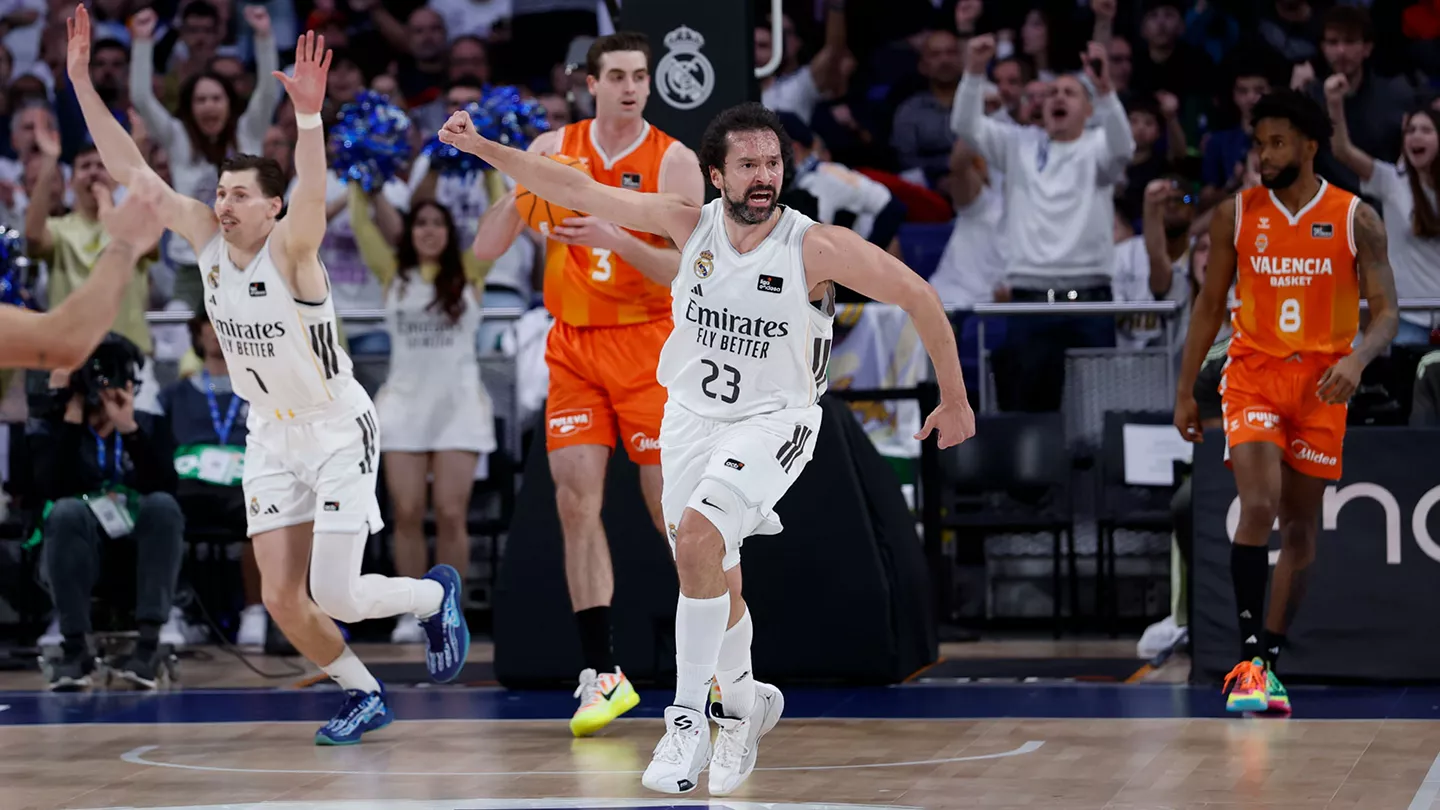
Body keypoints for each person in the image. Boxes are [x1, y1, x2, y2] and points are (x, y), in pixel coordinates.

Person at [439, 100, 976, 795]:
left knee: (697, 540)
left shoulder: (816, 247)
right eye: (748, 164)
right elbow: (573, 189)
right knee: (713, 573)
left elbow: (918, 295)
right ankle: (746, 704)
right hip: (690, 417)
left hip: (775, 421)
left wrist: (955, 397)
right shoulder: (686, 225)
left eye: (773, 164)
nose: (763, 176)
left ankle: (687, 720)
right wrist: (484, 148)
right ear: (717, 175)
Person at [68, 7, 470, 744]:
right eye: (220, 193)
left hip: (335, 422)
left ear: (272, 207)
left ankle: (429, 595)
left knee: (338, 592)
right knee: (284, 599)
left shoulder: (295, 252)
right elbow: (133, 172)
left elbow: (314, 193)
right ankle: (362, 692)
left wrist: (310, 121)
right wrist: (79, 84)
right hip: (269, 433)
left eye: (239, 195)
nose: (223, 204)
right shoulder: (203, 239)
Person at [470, 30, 704, 737]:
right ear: (590, 82)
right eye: (620, 76)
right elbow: (483, 249)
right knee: (575, 504)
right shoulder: (549, 150)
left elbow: (692, 273)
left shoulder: (676, 161)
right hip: (572, 347)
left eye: (642, 76)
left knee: (674, 514)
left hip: (650, 346)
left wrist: (619, 238)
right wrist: (521, 192)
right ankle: (602, 676)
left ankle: (717, 669)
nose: (633, 87)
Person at [1173, 89, 1398, 715]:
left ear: (1308, 145)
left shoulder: (1357, 217)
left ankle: (1269, 660)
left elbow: (1387, 315)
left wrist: (1356, 360)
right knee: (1261, 503)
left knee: (1300, 528)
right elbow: (1208, 307)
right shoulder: (1235, 215)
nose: (1265, 155)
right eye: (1259, 143)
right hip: (1253, 373)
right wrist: (1185, 389)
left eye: (1277, 143)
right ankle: (1245, 662)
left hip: (1325, 382)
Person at [350, 184, 496, 644]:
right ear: (409, 232)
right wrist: (361, 172)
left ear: (449, 232)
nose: (429, 231)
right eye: (421, 223)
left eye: (437, 223)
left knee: (452, 513)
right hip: (403, 407)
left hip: (459, 406)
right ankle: (414, 611)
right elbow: (359, 223)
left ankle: (449, 607)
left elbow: (497, 218)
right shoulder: (394, 273)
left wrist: (489, 171)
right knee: (407, 513)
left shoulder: (471, 270)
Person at [31, 334, 183, 691]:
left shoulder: (146, 426)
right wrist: (71, 416)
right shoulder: (50, 427)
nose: (100, 384)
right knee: (67, 510)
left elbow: (166, 486)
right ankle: (74, 649)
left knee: (162, 505)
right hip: (74, 552)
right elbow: (49, 488)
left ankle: (147, 649)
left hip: (136, 555)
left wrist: (128, 428)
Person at [0, 173, 166, 369]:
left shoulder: (125, 224)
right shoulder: (60, 228)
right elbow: (67, 342)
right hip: (72, 368)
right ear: (71, 182)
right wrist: (124, 244)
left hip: (131, 356)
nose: (93, 173)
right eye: (86, 166)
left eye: (100, 167)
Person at [1325, 74, 1440, 346]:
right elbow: (1342, 150)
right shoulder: (1390, 181)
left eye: (1426, 130)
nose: (1416, 137)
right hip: (1409, 318)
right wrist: (1334, 103)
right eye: (1410, 130)